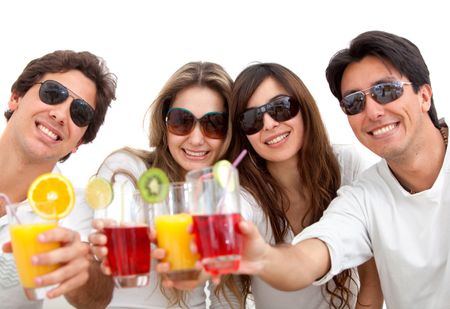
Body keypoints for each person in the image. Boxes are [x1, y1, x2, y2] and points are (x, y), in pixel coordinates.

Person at [234, 31, 449, 309]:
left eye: (386, 91)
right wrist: (260, 254)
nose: (372, 112)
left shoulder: (344, 164)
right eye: (354, 102)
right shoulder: (365, 196)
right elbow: (308, 258)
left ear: (424, 95)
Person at [219, 62, 382, 309]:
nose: (269, 124)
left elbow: (371, 260)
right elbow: (236, 215)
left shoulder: (346, 164)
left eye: (280, 108)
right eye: (252, 118)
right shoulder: (243, 193)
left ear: (303, 107)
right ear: (244, 134)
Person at [88, 61, 238, 308]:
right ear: (165, 123)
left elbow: (229, 296)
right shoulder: (127, 168)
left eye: (214, 124)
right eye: (182, 121)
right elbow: (114, 232)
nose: (197, 139)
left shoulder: (226, 192)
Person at [0, 50, 117, 309]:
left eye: (80, 113)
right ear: (15, 98)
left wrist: (83, 272)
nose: (61, 115)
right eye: (53, 93)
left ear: (80, 142)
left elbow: (96, 295)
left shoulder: (73, 208)